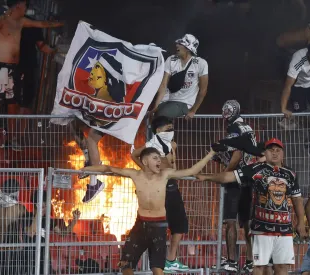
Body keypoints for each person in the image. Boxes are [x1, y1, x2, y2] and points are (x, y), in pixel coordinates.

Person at [82, 147, 216, 275]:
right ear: (145, 162)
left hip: (159, 226)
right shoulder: (134, 174)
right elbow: (107, 168)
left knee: (157, 268)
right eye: (155, 158)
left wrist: (210, 154)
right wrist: (86, 169)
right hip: (140, 225)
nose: (159, 161)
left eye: (159, 158)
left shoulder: (165, 174)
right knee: (125, 264)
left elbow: (191, 171)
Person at [197, 138, 307, 275]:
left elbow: (297, 199)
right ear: (264, 153)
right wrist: (206, 177)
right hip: (262, 228)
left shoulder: (290, 174)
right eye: (271, 150)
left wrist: (301, 222)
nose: (274, 153)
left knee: (282, 267)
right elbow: (227, 177)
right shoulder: (255, 169)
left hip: (284, 230)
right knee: (259, 267)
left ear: (283, 154)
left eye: (278, 150)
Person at [0, 0, 63, 151]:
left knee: (13, 105)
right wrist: (3, 18)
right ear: (18, 5)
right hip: (0, 66)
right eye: (24, 5)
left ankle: (12, 138)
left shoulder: (22, 21)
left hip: (14, 68)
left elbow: (42, 25)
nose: (26, 8)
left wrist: (57, 24)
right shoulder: (2, 20)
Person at [131, 116, 190, 273]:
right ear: (158, 131)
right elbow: (134, 155)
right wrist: (146, 170)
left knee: (180, 226)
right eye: (167, 128)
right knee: (160, 229)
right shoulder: (151, 146)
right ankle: (157, 264)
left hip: (173, 188)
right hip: (161, 191)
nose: (170, 131)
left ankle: (171, 260)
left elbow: (174, 166)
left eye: (171, 128)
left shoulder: (172, 145)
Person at [210, 100, 257, 272]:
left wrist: (225, 174)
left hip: (236, 178)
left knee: (231, 222)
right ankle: (251, 261)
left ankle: (232, 261)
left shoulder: (234, 129)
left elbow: (236, 155)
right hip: (248, 177)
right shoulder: (246, 127)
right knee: (247, 222)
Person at [152, 34, 209, 120]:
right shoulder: (171, 60)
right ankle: (164, 133)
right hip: (167, 100)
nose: (177, 45)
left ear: (188, 48)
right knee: (153, 115)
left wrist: (193, 110)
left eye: (181, 44)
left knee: (161, 115)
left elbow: (203, 90)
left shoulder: (201, 63)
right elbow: (163, 85)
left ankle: (164, 131)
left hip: (184, 103)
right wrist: (155, 106)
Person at [17, 3, 56, 114]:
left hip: (14, 63)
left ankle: (15, 127)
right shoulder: (33, 24)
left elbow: (42, 46)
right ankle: (19, 127)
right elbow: (42, 47)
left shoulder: (7, 22)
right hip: (26, 64)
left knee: (16, 98)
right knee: (26, 98)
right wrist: (55, 50)